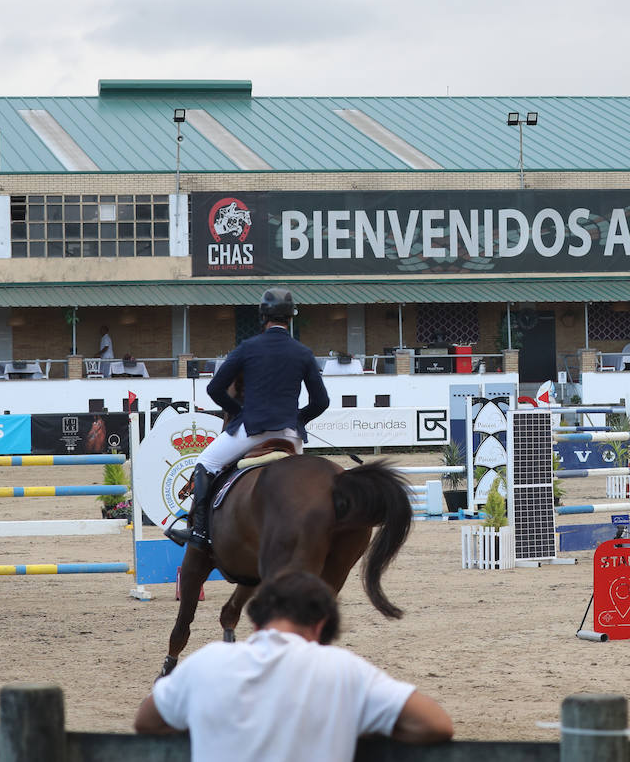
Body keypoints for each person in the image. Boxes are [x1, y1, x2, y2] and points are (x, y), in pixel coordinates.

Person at [135, 571, 453, 760]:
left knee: (209, 470)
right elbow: (436, 724)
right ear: (321, 625)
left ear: (256, 618)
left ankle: (201, 529)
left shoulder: (206, 661)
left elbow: (146, 721)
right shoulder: (342, 669)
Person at [166, 288, 330, 550]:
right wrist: (297, 420)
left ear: (262, 316)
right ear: (290, 318)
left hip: (251, 430)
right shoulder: (303, 353)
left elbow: (214, 389)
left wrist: (238, 413)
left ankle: (200, 533)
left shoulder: (248, 348)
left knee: (205, 462)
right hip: (290, 436)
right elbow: (321, 402)